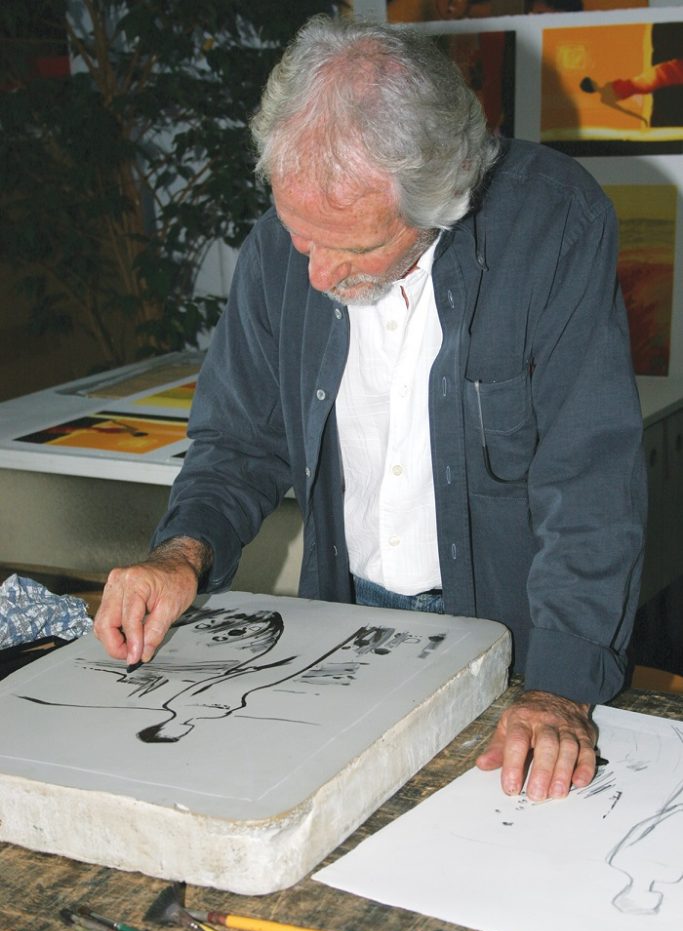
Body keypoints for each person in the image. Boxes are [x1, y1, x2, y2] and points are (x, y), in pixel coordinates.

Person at [94, 16, 646, 803]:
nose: (316, 276)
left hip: (519, 636)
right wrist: (181, 553)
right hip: (348, 619)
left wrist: (558, 687)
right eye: (299, 237)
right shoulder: (283, 245)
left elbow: (586, 475)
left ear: (440, 201)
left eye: (350, 251)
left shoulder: (551, 225)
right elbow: (237, 441)